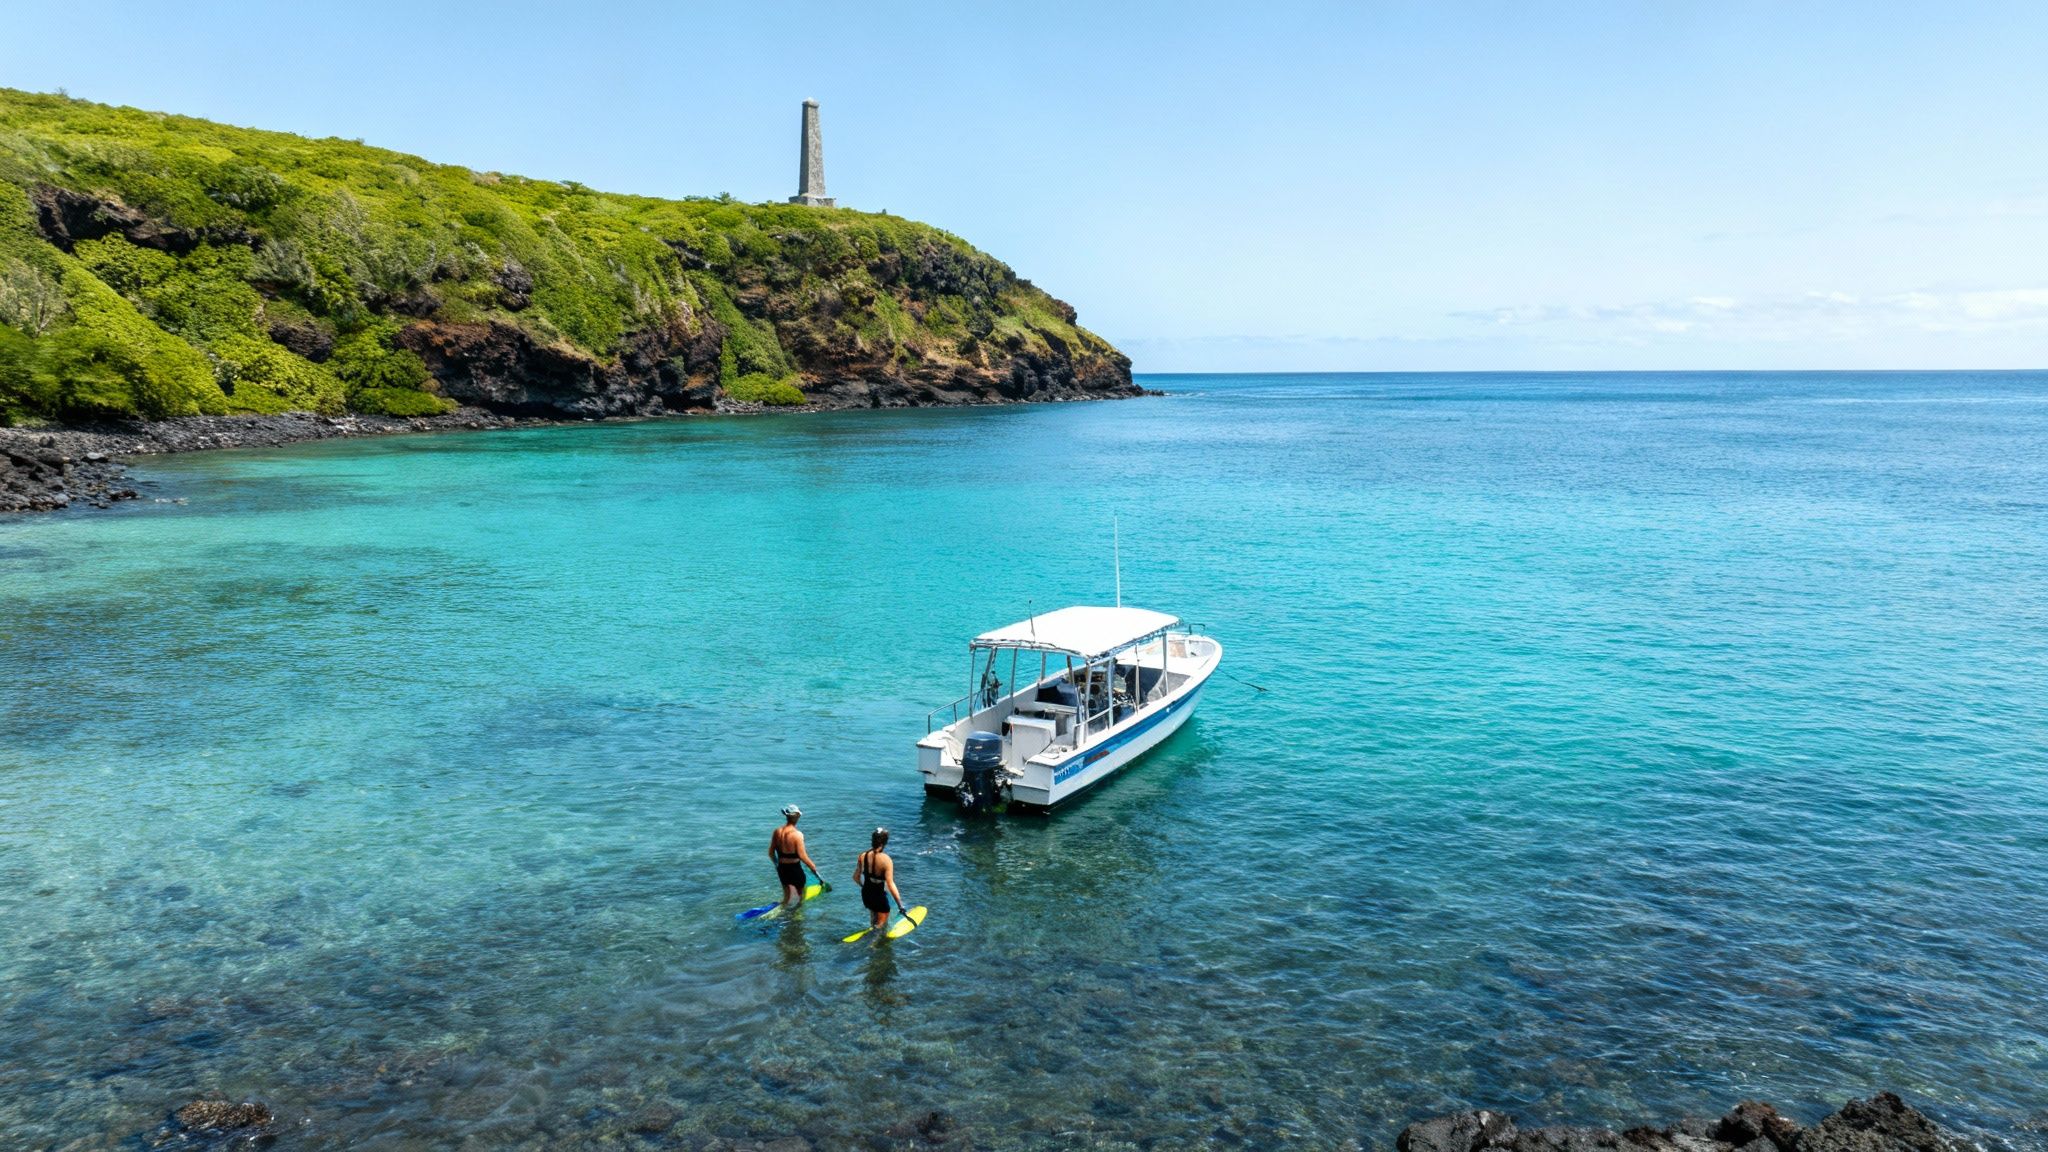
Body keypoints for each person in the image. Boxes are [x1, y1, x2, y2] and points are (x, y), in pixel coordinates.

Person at [854, 827, 905, 932]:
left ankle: (872, 930)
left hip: (866, 893)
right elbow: (890, 885)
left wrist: (864, 887)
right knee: (880, 926)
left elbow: (855, 877)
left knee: (874, 918)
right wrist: (900, 905)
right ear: (884, 842)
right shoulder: (886, 860)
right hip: (879, 896)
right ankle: (873, 943)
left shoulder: (862, 856)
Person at [769, 805, 821, 908]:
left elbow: (771, 853)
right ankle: (796, 918)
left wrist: (777, 865)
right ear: (797, 816)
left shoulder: (777, 831)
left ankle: (783, 908)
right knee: (800, 897)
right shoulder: (797, 834)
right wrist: (813, 868)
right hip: (794, 869)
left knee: (787, 897)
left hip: (782, 869)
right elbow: (802, 856)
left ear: (786, 816)